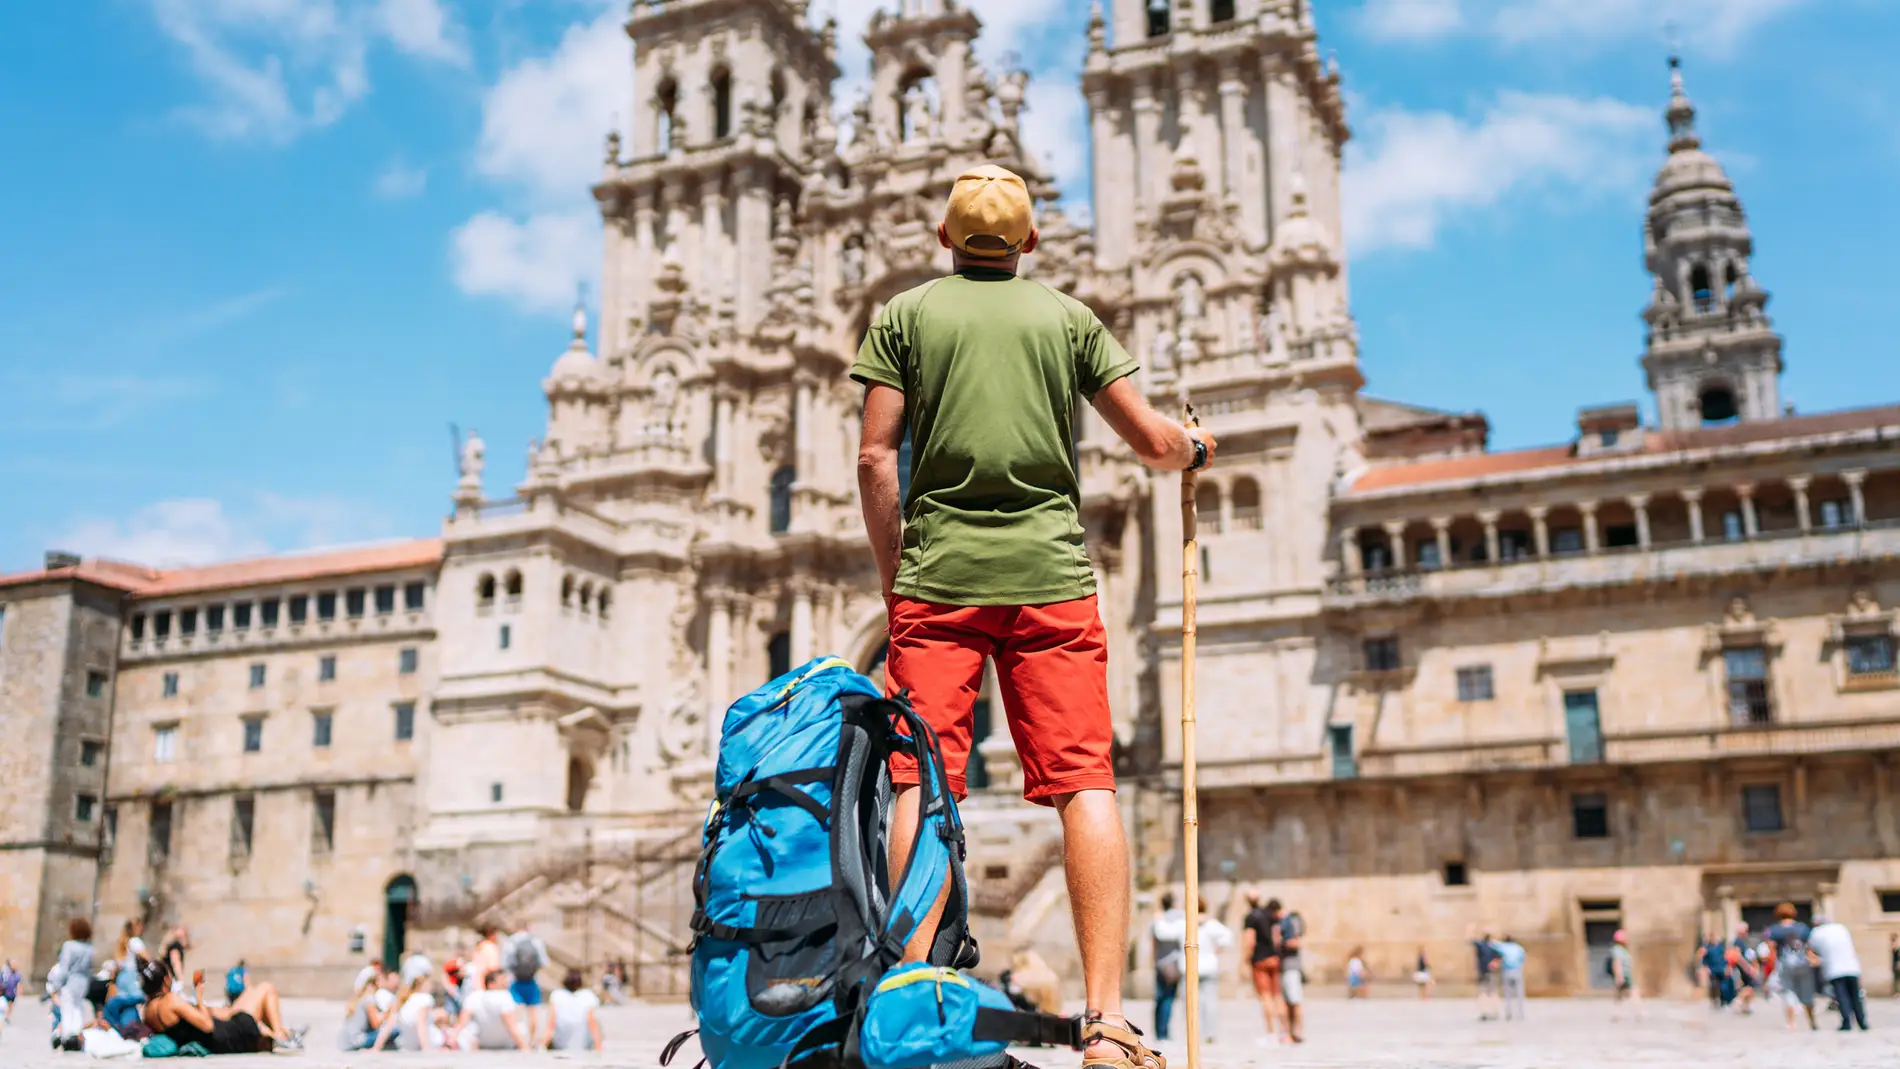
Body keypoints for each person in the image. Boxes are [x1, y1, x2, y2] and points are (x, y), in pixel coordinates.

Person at [854, 162, 1215, 1069]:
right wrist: (1194, 445)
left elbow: (872, 458)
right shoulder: (1068, 318)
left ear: (943, 237)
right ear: (1030, 242)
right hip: (1053, 577)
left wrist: (897, 575)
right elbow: (1152, 442)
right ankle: (1105, 1022)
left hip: (937, 583)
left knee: (920, 783)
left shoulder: (904, 315)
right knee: (1085, 784)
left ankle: (907, 997)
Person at [138, 956, 302, 1053]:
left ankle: (283, 1033)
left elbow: (190, 1022)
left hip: (220, 1036)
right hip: (227, 1036)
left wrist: (219, 1010)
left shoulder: (148, 1011)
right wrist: (199, 996)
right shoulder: (170, 1000)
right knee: (266, 988)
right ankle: (281, 1036)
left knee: (248, 995)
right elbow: (208, 1025)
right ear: (166, 980)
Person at [1238, 894, 1285, 1043]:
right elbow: (1277, 938)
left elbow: (1249, 940)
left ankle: (1271, 1033)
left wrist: (1244, 961)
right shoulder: (1270, 916)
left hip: (1260, 959)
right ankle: (1284, 1032)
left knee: (1265, 997)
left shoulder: (1251, 918)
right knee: (1277, 995)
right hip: (1274, 958)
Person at [1808, 915, 1868, 1031]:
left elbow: (1812, 951)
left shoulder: (1816, 932)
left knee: (1842, 996)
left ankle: (1847, 1022)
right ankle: (1862, 1022)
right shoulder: (1841, 928)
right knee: (1856, 996)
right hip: (1852, 966)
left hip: (1834, 968)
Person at [1764, 904, 1818, 1030]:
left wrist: (1771, 967)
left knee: (1789, 992)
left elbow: (1771, 949)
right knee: (1807, 992)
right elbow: (1810, 947)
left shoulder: (1774, 929)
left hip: (1785, 963)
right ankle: (1812, 1021)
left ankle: (1791, 1023)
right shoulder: (1803, 927)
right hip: (1802, 962)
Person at [456, 969, 533, 1051]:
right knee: (522, 1028)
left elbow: (462, 1023)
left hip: (482, 1042)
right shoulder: (505, 996)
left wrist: (453, 1039)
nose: (506, 984)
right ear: (491, 984)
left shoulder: (473, 996)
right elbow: (510, 1025)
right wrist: (524, 1047)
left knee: (469, 1029)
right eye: (502, 981)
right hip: (505, 1043)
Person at [1194, 899, 1234, 1044]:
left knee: (1192, 1003)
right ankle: (1209, 1032)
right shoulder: (1212, 924)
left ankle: (1194, 1032)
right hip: (1209, 964)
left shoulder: (1186, 922)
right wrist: (1217, 949)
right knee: (1210, 1001)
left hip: (1192, 966)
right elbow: (1227, 936)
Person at [504, 927, 550, 1042]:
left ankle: (518, 1040)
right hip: (532, 980)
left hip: (516, 981)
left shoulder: (511, 941)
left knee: (516, 1012)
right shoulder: (535, 941)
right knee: (533, 1012)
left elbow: (505, 963)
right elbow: (544, 962)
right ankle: (532, 1040)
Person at [1149, 893, 1185, 1042]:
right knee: (1168, 998)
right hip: (1173, 962)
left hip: (1161, 962)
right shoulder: (1180, 918)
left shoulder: (1158, 918)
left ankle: (1160, 1031)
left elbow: (1154, 941)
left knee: (1160, 999)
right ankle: (1164, 1032)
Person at [54, 918, 97, 1039]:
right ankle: (77, 1035)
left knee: (67, 1008)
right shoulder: (89, 948)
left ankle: (67, 1036)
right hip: (83, 982)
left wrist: (57, 984)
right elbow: (90, 969)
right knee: (78, 1008)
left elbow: (64, 967)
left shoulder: (69, 946)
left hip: (70, 981)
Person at [337, 969, 395, 1051]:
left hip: (346, 1041)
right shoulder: (369, 999)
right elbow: (376, 1023)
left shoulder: (359, 998)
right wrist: (388, 1011)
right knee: (395, 1030)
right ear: (376, 982)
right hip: (358, 1040)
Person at [549, 969, 604, 1051]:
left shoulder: (556, 994)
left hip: (560, 1044)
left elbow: (551, 1023)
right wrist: (599, 1048)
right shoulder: (588, 995)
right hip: (583, 1044)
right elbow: (592, 1022)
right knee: (597, 1020)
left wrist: (542, 1046)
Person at [1278, 907, 1306, 1044]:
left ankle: (1297, 1032)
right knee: (1288, 1002)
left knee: (1295, 1001)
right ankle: (1289, 1032)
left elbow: (1294, 943)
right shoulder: (1290, 922)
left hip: (1291, 968)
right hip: (1285, 967)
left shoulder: (1291, 924)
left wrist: (1279, 943)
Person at [1609, 929, 1641, 1019]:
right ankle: (1638, 1012)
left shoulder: (1622, 950)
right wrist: (1620, 976)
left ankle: (1617, 1014)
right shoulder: (1618, 950)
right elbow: (1617, 963)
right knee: (1635, 993)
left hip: (1624, 975)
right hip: (1624, 976)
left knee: (1619, 996)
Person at [1494, 935, 1526, 1020]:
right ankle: (1520, 1013)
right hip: (1517, 971)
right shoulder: (1519, 948)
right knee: (1519, 993)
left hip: (1507, 971)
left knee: (1507, 993)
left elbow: (1493, 945)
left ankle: (1509, 1012)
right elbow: (1522, 960)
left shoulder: (1503, 947)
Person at [1472, 932, 1501, 1021]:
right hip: (1491, 973)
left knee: (1482, 993)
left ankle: (1485, 1012)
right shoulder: (1494, 947)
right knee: (1493, 993)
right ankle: (1494, 1011)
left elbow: (1471, 940)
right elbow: (1499, 957)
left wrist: (1470, 929)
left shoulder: (1481, 945)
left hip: (1483, 973)